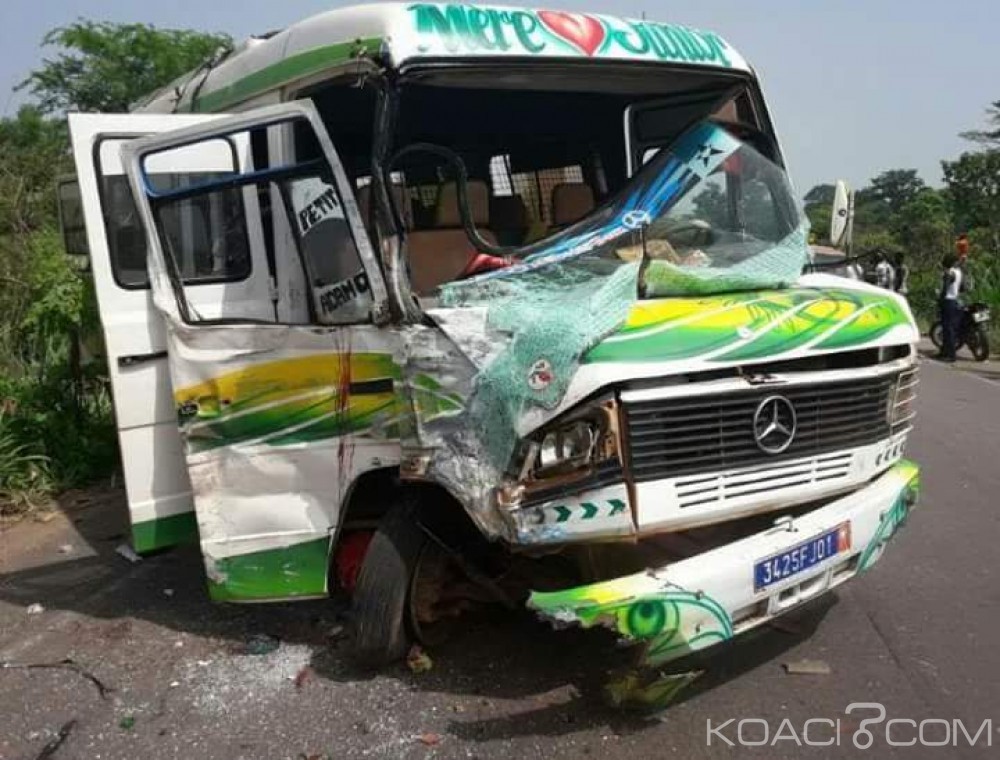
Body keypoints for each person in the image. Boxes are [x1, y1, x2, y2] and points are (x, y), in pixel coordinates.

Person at [938, 254, 963, 362]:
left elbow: (945, 288)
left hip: (948, 301)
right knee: (948, 327)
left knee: (948, 329)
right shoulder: (959, 272)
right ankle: (944, 352)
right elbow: (962, 288)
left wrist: (940, 299)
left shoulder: (949, 273)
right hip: (955, 300)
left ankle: (951, 355)